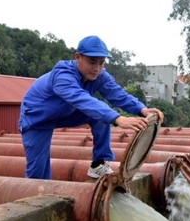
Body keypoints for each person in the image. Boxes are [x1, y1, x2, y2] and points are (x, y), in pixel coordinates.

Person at [18, 35, 164, 180]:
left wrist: (142, 109)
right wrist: (118, 118)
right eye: (92, 62)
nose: (97, 68)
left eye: (101, 63)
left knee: (100, 115)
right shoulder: (63, 76)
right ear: (77, 57)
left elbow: (117, 94)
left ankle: (98, 164)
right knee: (38, 173)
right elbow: (82, 99)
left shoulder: (99, 75)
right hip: (37, 118)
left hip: (66, 112)